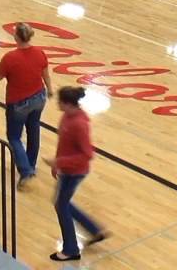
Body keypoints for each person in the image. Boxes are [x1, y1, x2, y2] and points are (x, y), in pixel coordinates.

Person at [45, 86, 108, 262]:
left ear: (67, 103)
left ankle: (71, 249)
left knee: (61, 205)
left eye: (59, 101)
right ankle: (95, 230)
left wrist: (60, 162)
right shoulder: (66, 116)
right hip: (67, 170)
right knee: (63, 203)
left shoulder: (79, 124)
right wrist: (57, 164)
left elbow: (87, 154)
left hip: (76, 172)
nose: (57, 104)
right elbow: (63, 143)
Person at [0, 22, 53, 188]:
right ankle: (31, 166)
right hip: (39, 97)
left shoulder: (10, 58)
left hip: (18, 102)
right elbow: (46, 75)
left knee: (14, 137)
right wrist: (49, 90)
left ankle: (25, 171)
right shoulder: (40, 53)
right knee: (33, 130)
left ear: (16, 37)